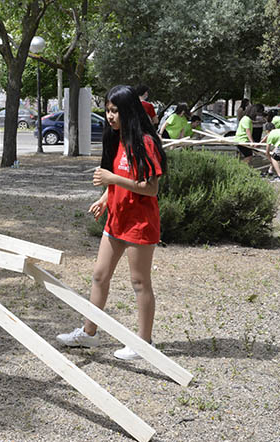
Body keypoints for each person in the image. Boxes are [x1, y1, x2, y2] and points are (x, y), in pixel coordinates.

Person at [56, 85, 167, 361]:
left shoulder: (146, 143)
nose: (109, 116)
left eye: (115, 111)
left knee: (140, 282)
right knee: (99, 276)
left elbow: (150, 188)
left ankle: (144, 342)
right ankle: (89, 333)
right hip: (116, 220)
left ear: (128, 110)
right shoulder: (116, 139)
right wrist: (106, 198)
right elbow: (115, 176)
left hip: (139, 224)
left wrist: (112, 181)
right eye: (107, 110)